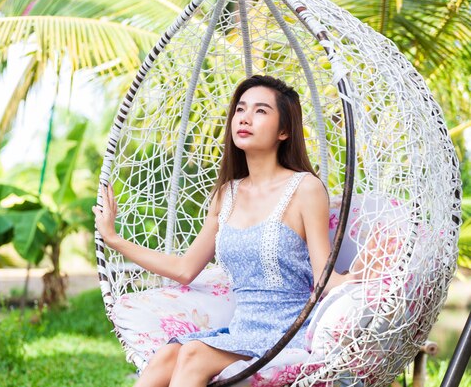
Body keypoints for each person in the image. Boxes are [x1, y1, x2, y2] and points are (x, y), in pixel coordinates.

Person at [93, 75, 354, 387]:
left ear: (284, 130)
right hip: (241, 331)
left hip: (287, 331)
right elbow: (185, 269)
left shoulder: (305, 188)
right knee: (166, 356)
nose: (244, 117)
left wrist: (371, 273)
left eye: (260, 111)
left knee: (192, 354)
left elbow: (325, 278)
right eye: (240, 109)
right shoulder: (225, 194)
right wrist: (113, 239)